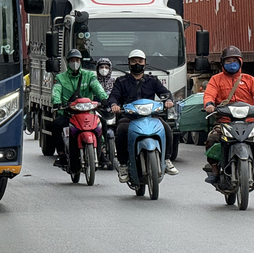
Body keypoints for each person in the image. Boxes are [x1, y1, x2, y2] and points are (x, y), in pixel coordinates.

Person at [203, 46, 254, 185]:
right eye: (228, 61)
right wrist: (209, 105)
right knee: (211, 139)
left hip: (249, 122)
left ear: (240, 62)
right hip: (224, 122)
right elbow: (209, 95)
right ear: (222, 63)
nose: (232, 63)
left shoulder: (250, 80)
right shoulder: (216, 79)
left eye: (235, 60)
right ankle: (215, 169)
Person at [108, 49, 178, 182]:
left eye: (140, 61)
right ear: (129, 64)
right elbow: (114, 97)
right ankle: (123, 164)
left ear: (145, 63)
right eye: (134, 61)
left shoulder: (153, 80)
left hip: (151, 117)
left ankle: (167, 159)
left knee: (166, 129)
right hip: (129, 117)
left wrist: (168, 101)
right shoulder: (121, 81)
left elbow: (165, 93)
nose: (137, 64)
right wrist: (114, 105)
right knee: (121, 130)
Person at [51, 49, 109, 167]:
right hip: (69, 114)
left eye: (77, 60)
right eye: (72, 60)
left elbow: (97, 87)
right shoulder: (60, 78)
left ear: (81, 61)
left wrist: (104, 98)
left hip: (88, 113)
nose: (75, 63)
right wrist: (56, 102)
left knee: (103, 123)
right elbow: (56, 90)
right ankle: (61, 155)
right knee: (56, 125)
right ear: (68, 62)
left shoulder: (89, 76)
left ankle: (102, 152)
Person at [96, 58, 116, 167]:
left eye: (107, 67)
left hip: (111, 111)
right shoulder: (93, 81)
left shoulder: (114, 82)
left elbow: (118, 95)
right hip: (97, 111)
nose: (104, 70)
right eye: (102, 67)